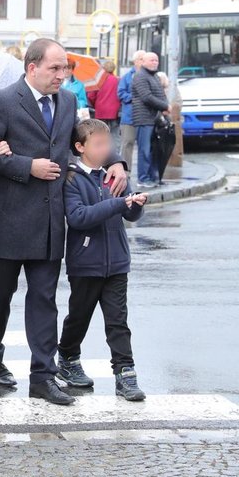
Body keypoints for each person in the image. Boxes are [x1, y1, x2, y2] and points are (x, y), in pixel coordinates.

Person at [0, 38, 127, 406]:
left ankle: (42, 376)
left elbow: (86, 138)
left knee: (44, 299)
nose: (63, 75)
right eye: (55, 68)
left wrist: (114, 160)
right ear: (32, 68)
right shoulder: (3, 100)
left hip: (49, 221)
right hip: (8, 218)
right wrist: (27, 166)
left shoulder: (69, 100)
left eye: (65, 68)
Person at [57, 118, 147, 401]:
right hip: (86, 263)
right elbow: (78, 218)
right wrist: (117, 204)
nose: (105, 149)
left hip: (117, 261)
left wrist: (134, 206)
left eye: (108, 143)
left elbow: (128, 212)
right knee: (79, 317)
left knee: (118, 321)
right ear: (80, 147)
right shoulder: (71, 178)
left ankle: (126, 375)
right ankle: (68, 358)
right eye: (98, 144)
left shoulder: (115, 175)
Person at [131, 52, 169, 188]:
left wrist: (165, 106)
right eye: (152, 60)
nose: (155, 62)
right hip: (143, 118)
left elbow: (160, 94)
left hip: (154, 119)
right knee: (144, 150)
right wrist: (165, 106)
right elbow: (146, 97)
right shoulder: (140, 76)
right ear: (143, 62)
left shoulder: (153, 76)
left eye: (156, 60)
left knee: (154, 150)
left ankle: (154, 177)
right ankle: (143, 178)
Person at [117, 51, 143, 168]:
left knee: (145, 146)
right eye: (142, 59)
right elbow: (120, 93)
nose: (144, 62)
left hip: (145, 117)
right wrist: (134, 98)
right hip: (129, 117)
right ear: (136, 61)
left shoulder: (150, 76)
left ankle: (145, 174)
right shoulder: (127, 77)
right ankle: (125, 172)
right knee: (127, 144)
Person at [88, 60, 121, 148]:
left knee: (100, 135)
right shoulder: (118, 80)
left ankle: (101, 153)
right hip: (115, 113)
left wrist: (95, 105)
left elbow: (91, 96)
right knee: (115, 135)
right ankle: (114, 156)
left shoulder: (98, 81)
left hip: (100, 112)